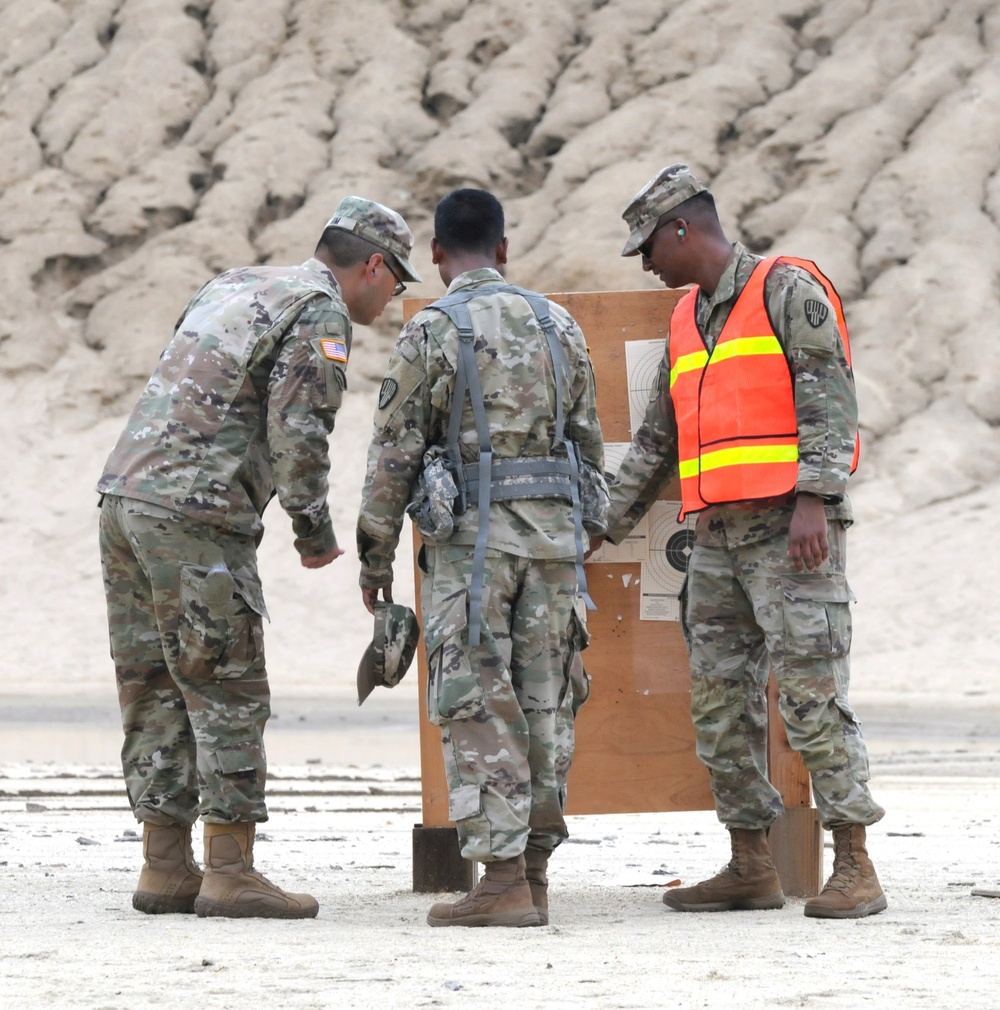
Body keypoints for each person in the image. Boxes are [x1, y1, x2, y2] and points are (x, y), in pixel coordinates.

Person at [97, 196, 420, 919]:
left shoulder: (235, 282)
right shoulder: (319, 312)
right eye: (394, 282)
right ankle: (231, 871)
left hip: (124, 498)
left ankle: (165, 866)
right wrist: (315, 534)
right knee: (226, 686)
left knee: (153, 688)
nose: (390, 297)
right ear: (372, 265)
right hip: (195, 515)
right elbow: (299, 432)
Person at [593, 164, 886, 919]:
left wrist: (817, 497)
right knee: (721, 705)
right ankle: (750, 863)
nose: (646, 262)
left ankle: (855, 864)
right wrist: (600, 525)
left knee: (811, 695)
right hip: (716, 539)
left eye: (649, 245)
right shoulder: (686, 318)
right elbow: (658, 442)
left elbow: (830, 397)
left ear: (684, 228)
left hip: (792, 534)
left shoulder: (788, 289)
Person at [356, 188, 606, 927]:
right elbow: (588, 443)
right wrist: (581, 528)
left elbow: (392, 455)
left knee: (477, 702)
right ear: (503, 249)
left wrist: (374, 560)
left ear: (436, 255)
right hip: (557, 542)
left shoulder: (432, 330)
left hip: (474, 546)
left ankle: (499, 881)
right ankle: (531, 870)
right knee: (548, 697)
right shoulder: (559, 324)